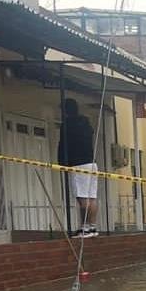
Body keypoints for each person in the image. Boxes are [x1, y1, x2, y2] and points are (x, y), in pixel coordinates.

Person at [58, 98, 98, 237]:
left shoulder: (67, 125)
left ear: (65, 111)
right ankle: (92, 227)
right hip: (92, 163)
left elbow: (63, 144)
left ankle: (85, 228)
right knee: (92, 197)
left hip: (78, 164)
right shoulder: (86, 123)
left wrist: (62, 163)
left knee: (82, 198)